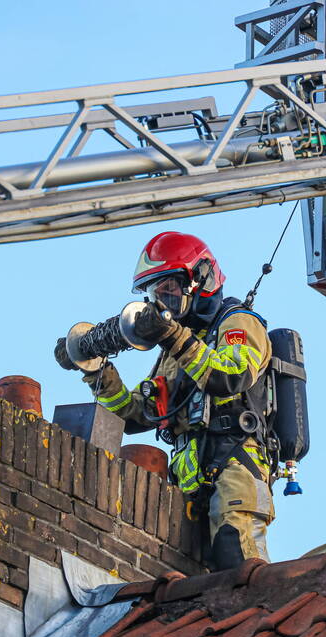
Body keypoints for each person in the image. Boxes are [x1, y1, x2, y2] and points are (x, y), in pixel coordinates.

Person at [54, 231, 275, 570]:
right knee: (188, 578)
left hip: (235, 469)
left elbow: (231, 376)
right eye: (155, 292)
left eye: (169, 287)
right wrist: (95, 369)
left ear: (200, 278)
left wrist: (174, 337)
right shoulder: (175, 351)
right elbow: (133, 416)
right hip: (188, 481)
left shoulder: (236, 322)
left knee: (238, 559)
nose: (162, 299)